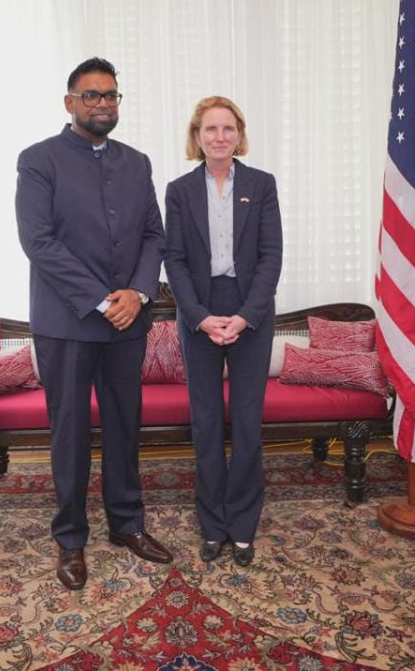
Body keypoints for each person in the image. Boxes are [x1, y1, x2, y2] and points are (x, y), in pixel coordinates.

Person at [15, 57, 172, 590]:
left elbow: (155, 234)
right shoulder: (39, 161)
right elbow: (39, 243)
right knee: (71, 434)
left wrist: (139, 291)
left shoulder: (138, 162)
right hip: (68, 322)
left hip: (129, 320)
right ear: (69, 102)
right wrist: (102, 300)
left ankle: (127, 524)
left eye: (111, 95)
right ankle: (70, 539)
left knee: (126, 426)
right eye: (91, 95)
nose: (102, 103)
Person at [163, 96, 282, 567]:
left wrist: (247, 315)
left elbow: (271, 256)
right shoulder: (178, 190)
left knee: (248, 425)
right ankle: (212, 525)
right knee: (207, 424)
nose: (219, 137)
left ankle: (243, 524)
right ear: (196, 137)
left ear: (239, 134)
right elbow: (173, 259)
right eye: (209, 129)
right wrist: (197, 316)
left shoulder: (261, 184)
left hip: (250, 312)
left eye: (227, 129)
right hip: (199, 312)